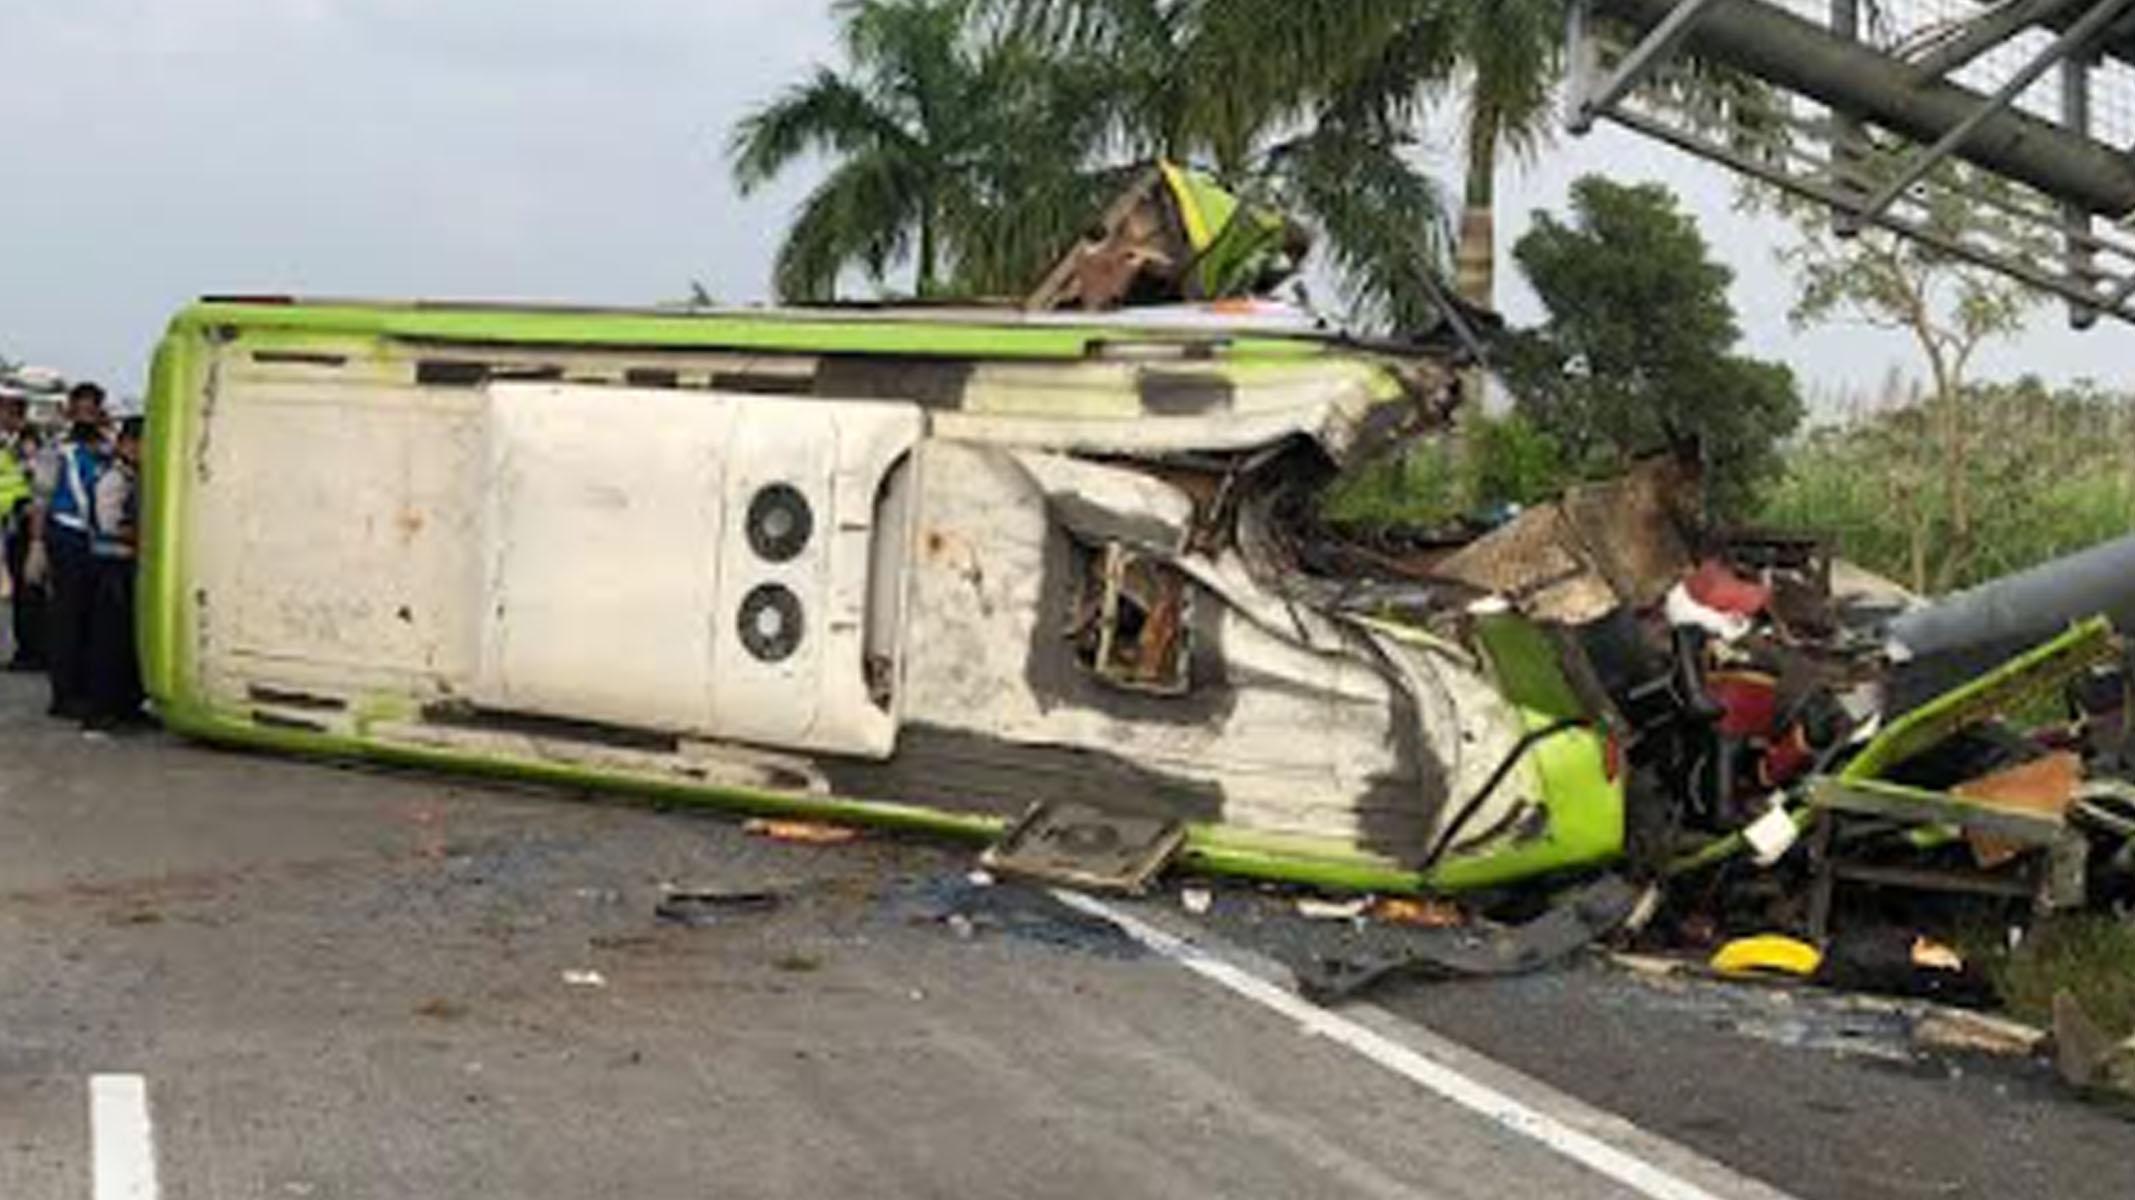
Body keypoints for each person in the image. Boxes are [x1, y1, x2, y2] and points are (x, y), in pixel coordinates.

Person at [35, 382, 107, 719]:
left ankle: (87, 688)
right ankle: (63, 694)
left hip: (94, 541)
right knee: (66, 618)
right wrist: (37, 544)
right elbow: (41, 499)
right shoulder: (56, 449)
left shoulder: (103, 449)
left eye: (93, 407)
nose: (87, 413)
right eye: (82, 407)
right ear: (71, 409)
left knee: (93, 619)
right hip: (65, 535)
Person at [85, 416, 146, 730]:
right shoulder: (113, 479)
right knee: (109, 644)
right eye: (139, 443)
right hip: (111, 567)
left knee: (129, 644)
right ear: (125, 444)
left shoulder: (137, 477)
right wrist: (145, 535)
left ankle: (127, 707)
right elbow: (110, 525)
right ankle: (101, 713)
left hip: (129, 567)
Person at [0, 394, 43, 670]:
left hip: (26, 519)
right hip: (13, 519)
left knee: (27, 589)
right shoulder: (13, 444)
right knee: (22, 589)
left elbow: (30, 481)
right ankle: (28, 648)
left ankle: (30, 651)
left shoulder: (26, 445)